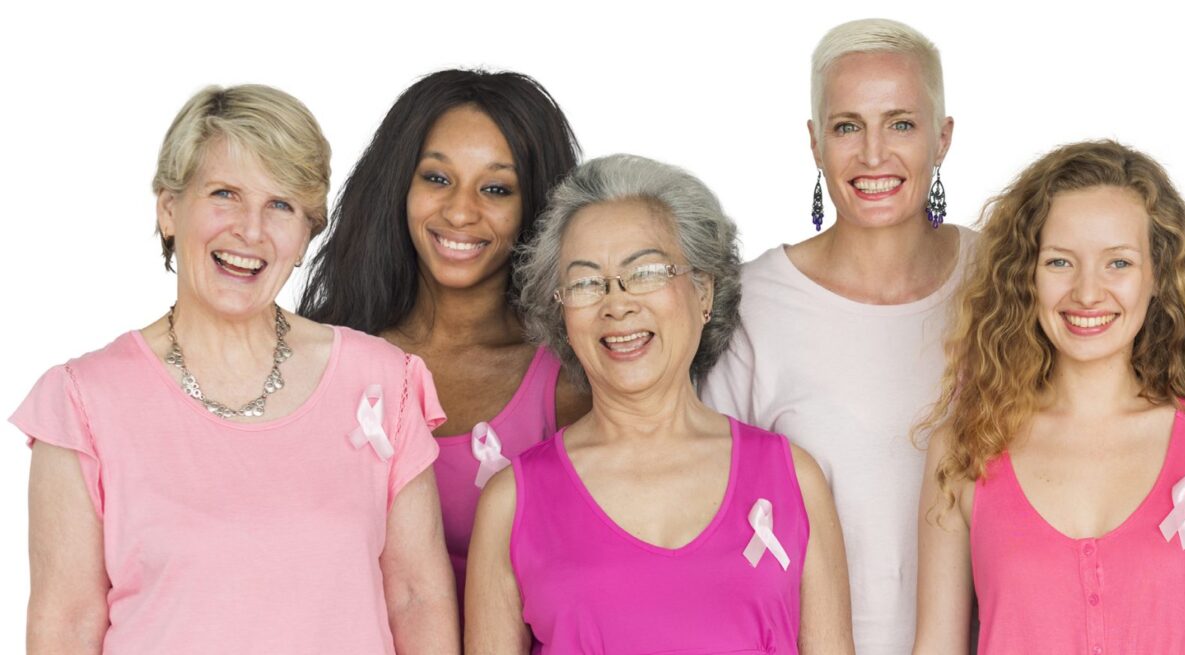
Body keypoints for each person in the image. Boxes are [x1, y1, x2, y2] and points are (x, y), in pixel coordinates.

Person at [15, 84, 457, 653]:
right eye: (225, 194)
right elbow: (67, 622)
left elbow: (417, 598)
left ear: (305, 236)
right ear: (169, 208)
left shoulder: (382, 382)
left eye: (281, 205)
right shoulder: (81, 401)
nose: (251, 230)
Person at [463, 154, 854, 652]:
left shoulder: (792, 479)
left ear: (704, 291)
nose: (617, 302)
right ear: (561, 315)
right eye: (585, 283)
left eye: (645, 272)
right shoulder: (511, 503)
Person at [914, 140, 1185, 654]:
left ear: (1158, 276)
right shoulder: (966, 447)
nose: (1086, 293)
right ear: (1025, 277)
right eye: (1060, 262)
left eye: (1118, 263)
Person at [702, 18, 968, 653]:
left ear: (943, 137)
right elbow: (707, 515)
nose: (873, 154)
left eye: (901, 123)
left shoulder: (1008, 279)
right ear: (816, 142)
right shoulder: (751, 305)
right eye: (848, 126)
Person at [298, 69, 590, 596]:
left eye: (496, 188)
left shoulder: (569, 379)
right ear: (399, 186)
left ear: (538, 208)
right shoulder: (328, 356)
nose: (459, 210)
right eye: (436, 178)